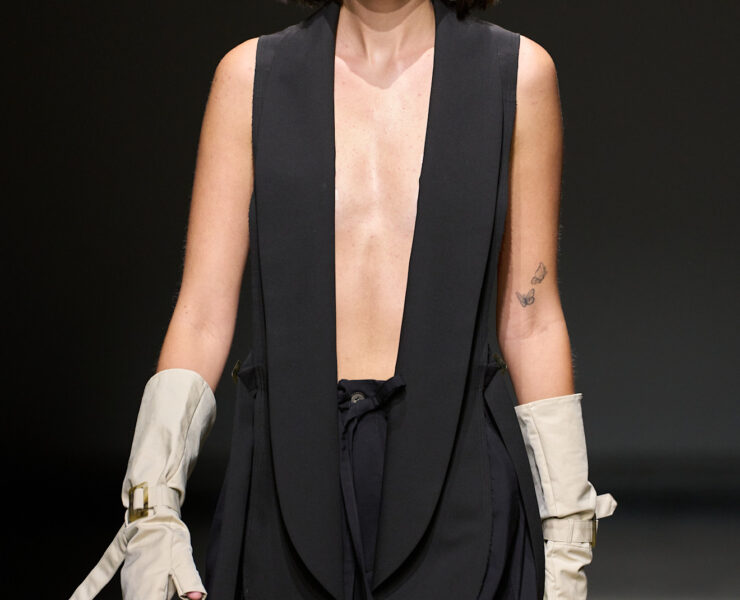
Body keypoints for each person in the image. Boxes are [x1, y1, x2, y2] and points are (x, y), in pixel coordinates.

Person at [70, 0, 616, 598]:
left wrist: (567, 531)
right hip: (285, 483)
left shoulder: (514, 73)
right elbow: (201, 310)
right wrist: (151, 504)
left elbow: (530, 316)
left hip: (458, 483)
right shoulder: (251, 77)